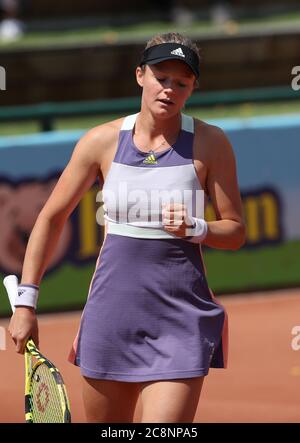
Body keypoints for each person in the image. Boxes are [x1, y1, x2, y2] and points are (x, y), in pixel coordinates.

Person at [8, 32, 245, 423]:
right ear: (140, 76)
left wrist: (197, 227)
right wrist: (26, 302)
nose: (169, 89)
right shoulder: (100, 141)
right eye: (161, 77)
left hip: (180, 320)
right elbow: (50, 218)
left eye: (181, 83)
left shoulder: (211, 142)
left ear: (193, 88)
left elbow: (235, 231)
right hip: (110, 318)